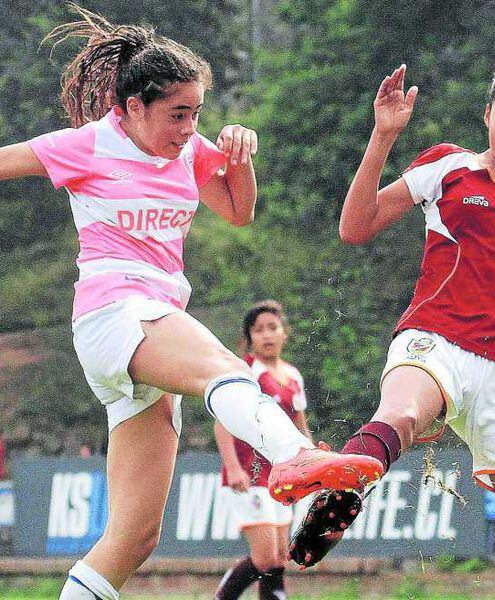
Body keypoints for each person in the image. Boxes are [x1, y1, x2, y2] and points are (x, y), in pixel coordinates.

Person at [0, 6, 382, 599]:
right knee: (225, 369)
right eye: (178, 114)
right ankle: (295, 456)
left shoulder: (190, 150)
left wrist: (239, 161)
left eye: (197, 112)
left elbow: (238, 211)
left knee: (133, 537)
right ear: (131, 107)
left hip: (153, 328)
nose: (189, 126)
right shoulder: (85, 145)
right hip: (113, 314)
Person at [289, 59, 495, 600]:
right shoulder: (447, 168)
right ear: (487, 114)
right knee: (401, 412)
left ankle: (352, 473)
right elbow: (355, 228)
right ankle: (341, 491)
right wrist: (382, 136)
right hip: (434, 340)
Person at [214, 300, 313, 600]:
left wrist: (313, 461)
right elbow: (222, 422)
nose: (267, 335)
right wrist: (233, 467)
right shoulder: (245, 371)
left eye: (273, 327)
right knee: (265, 558)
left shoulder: (293, 376)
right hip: (250, 472)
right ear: (249, 338)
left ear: (285, 333)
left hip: (281, 476)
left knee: (280, 558)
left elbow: (299, 425)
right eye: (259, 330)